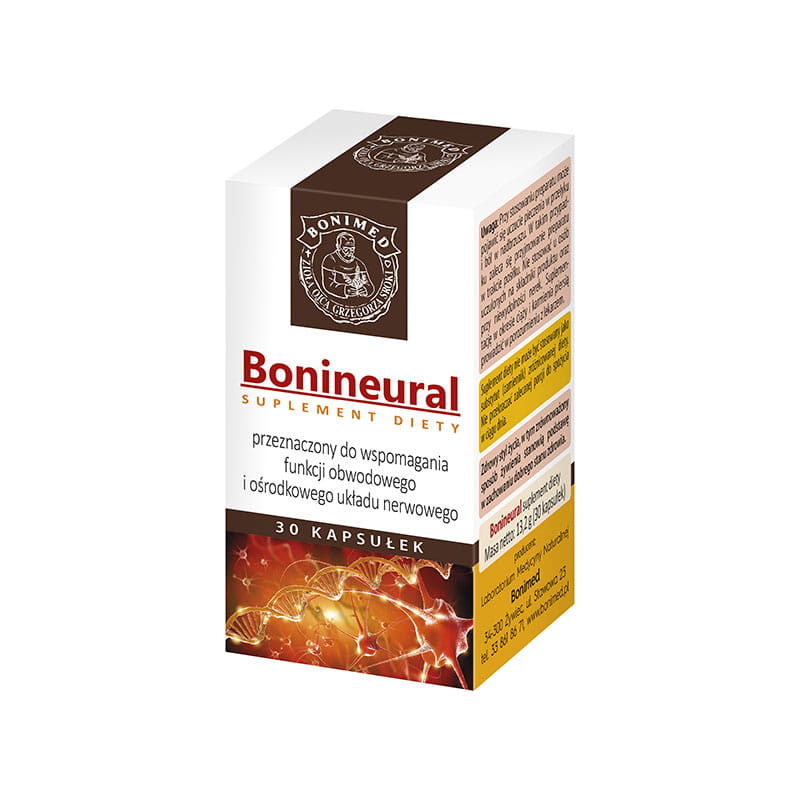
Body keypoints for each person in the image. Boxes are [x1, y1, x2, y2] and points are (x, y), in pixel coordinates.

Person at [321, 232, 374, 299]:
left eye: (352, 249)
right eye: (346, 249)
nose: (350, 252)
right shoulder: (330, 260)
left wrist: (366, 289)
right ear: (339, 247)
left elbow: (368, 285)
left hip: (358, 300)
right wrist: (344, 290)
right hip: (338, 300)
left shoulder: (358, 263)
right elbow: (328, 285)